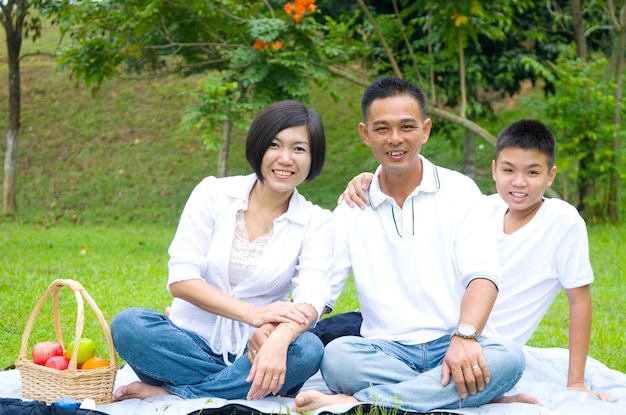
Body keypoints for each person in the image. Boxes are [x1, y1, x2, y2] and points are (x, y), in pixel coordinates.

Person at [288, 76, 525, 413]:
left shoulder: (460, 192)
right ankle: (454, 390)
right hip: (385, 349)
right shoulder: (353, 207)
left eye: (407, 127)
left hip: (452, 339)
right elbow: (322, 292)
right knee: (337, 359)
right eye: (382, 128)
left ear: (425, 130)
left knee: (509, 357)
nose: (395, 139)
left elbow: (483, 276)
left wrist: (465, 336)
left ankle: (359, 402)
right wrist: (283, 331)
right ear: (365, 133)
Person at [337, 119, 612, 403]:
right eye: (508, 170)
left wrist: (576, 381)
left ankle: (364, 400)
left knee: (509, 359)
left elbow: (579, 301)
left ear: (551, 175)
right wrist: (368, 180)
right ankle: (469, 394)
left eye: (532, 172)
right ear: (494, 169)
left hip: (485, 346)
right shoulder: (481, 205)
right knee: (337, 348)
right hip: (434, 329)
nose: (519, 182)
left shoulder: (563, 222)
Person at [110, 100, 334, 402]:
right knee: (129, 325)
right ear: (258, 147)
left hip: (256, 354)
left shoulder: (316, 221)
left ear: (313, 158)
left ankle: (170, 393)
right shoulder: (214, 193)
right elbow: (182, 280)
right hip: (186, 346)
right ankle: (226, 389)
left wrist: (280, 337)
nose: (285, 159)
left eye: (299, 149)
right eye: (274, 145)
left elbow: (312, 297)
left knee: (308, 349)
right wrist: (253, 314)